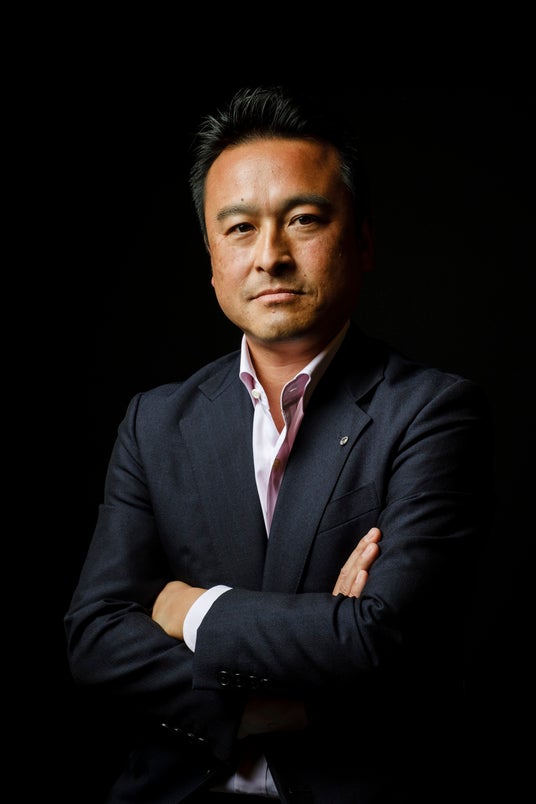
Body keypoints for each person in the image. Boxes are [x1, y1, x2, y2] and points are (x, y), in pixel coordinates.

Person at [65, 85, 493, 803]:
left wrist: (191, 609)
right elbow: (96, 638)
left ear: (362, 241)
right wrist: (267, 707)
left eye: (303, 220)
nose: (271, 256)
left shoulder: (433, 412)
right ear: (211, 259)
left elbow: (379, 639)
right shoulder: (155, 421)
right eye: (240, 228)